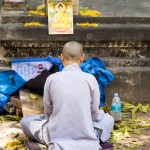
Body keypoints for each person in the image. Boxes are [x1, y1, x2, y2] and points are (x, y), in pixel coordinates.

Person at [20, 41, 114, 150]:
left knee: (25, 121)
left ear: (61, 57)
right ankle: (94, 139)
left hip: (56, 134)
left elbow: (48, 112)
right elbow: (94, 114)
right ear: (82, 57)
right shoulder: (90, 79)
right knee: (108, 119)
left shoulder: (51, 79)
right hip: (88, 133)